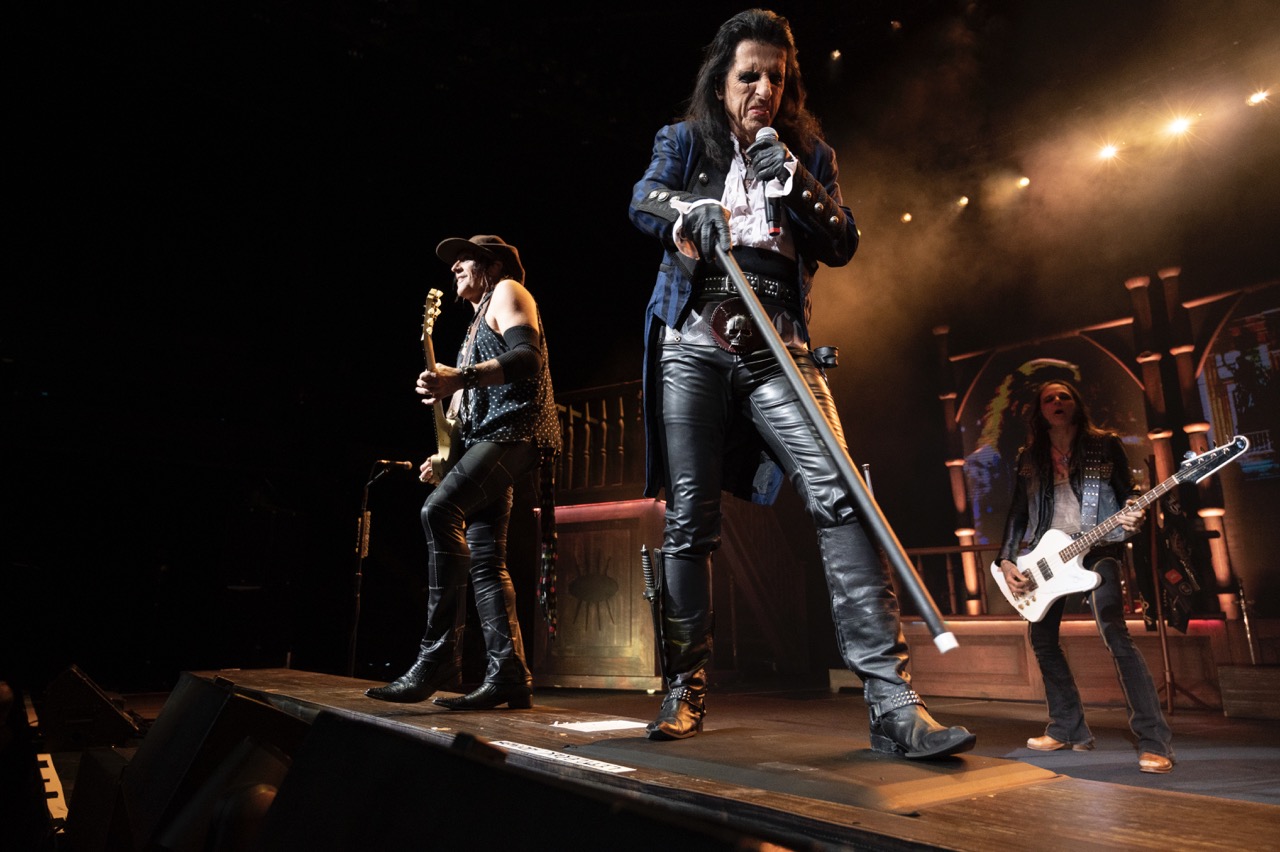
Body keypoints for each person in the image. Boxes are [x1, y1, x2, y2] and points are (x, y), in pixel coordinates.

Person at [627, 8, 975, 758]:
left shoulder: (808, 154)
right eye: (749, 75)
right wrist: (689, 210)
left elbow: (842, 240)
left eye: (776, 79)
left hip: (779, 345)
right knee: (690, 521)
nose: (763, 89)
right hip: (693, 339)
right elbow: (642, 198)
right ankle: (683, 688)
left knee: (843, 495)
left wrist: (790, 181)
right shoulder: (683, 141)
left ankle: (892, 702)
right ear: (721, 81)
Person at [365, 234, 560, 711]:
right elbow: (466, 408)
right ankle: (508, 673)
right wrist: (446, 458)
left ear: (491, 266)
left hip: (516, 432)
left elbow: (528, 358)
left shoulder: (509, 291)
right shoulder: (475, 323)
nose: (453, 266)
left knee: (439, 511)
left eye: (464, 259)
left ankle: (438, 658)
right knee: (487, 558)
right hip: (490, 438)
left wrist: (461, 377)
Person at [997, 380, 1175, 773]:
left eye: (1064, 396)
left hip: (1099, 549)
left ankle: (1154, 741)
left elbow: (1129, 493)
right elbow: (1017, 512)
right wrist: (1007, 560)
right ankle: (1067, 727)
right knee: (1043, 641)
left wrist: (1134, 511)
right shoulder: (1029, 456)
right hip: (1046, 556)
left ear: (1076, 403)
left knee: (1116, 635)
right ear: (1040, 410)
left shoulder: (1103, 444)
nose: (1057, 401)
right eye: (1049, 398)